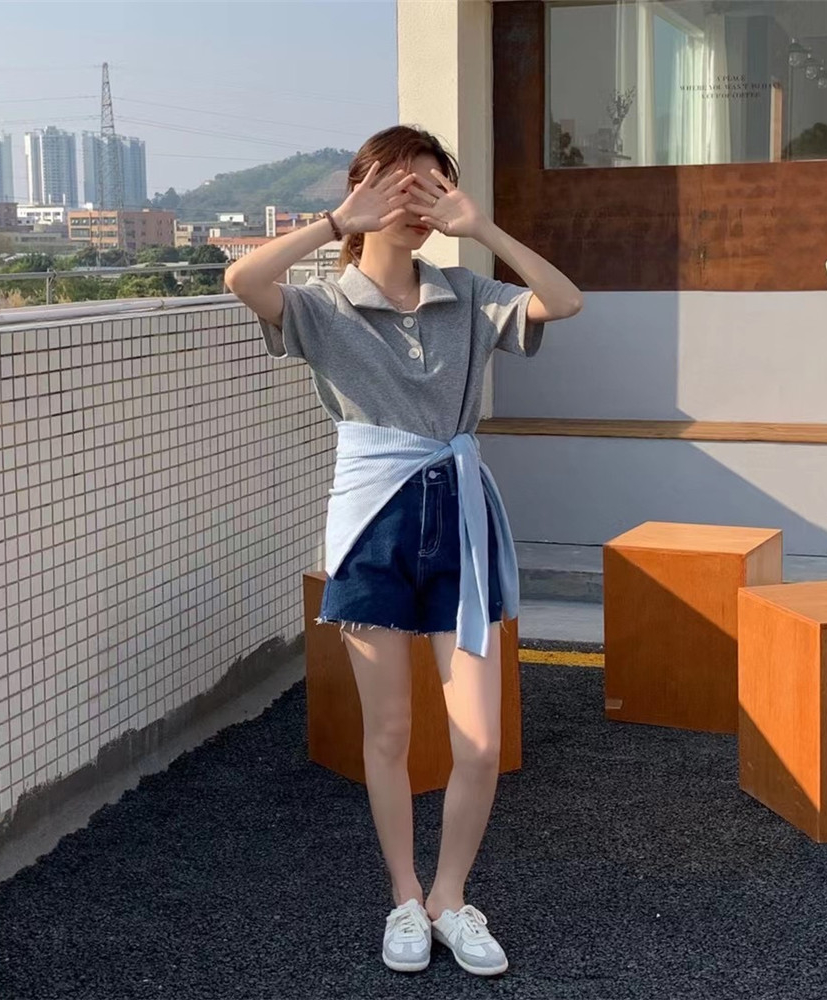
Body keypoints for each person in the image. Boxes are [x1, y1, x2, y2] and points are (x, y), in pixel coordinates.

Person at [226, 125, 582, 977]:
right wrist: (333, 224)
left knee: (480, 742)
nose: (417, 203)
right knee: (387, 735)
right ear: (364, 192)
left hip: (460, 520)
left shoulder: (469, 294)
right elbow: (242, 280)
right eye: (400, 185)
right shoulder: (324, 306)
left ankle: (451, 896)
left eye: (432, 186)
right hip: (373, 528)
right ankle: (405, 896)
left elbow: (564, 301)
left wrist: (481, 227)